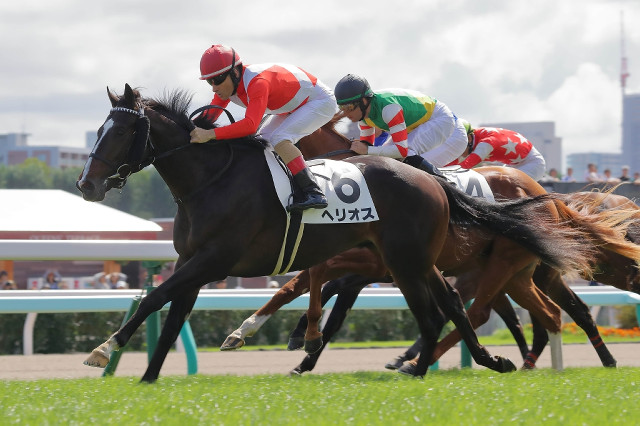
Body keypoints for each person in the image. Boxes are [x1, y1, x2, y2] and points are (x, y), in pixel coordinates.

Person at [190, 44, 338, 212]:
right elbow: (208, 116)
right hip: (291, 105)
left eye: (217, 80)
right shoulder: (230, 86)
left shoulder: (257, 82)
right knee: (262, 143)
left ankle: (313, 192)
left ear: (235, 72)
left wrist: (210, 134)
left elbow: (250, 126)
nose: (214, 87)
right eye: (210, 81)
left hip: (319, 101)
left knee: (280, 139)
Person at [335, 74, 467, 175]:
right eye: (342, 107)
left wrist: (367, 150)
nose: (345, 113)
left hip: (439, 119)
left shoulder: (389, 109)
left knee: (405, 154)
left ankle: (449, 188)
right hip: (419, 122)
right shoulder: (364, 117)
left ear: (364, 101)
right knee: (386, 159)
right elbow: (367, 149)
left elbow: (401, 151)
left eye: (350, 106)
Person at [445, 122, 547, 181]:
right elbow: (452, 162)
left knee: (503, 185)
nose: (457, 149)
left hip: (533, 163)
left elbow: (465, 165)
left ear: (469, 138)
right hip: (515, 164)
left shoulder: (486, 143)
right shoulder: (474, 137)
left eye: (458, 145)